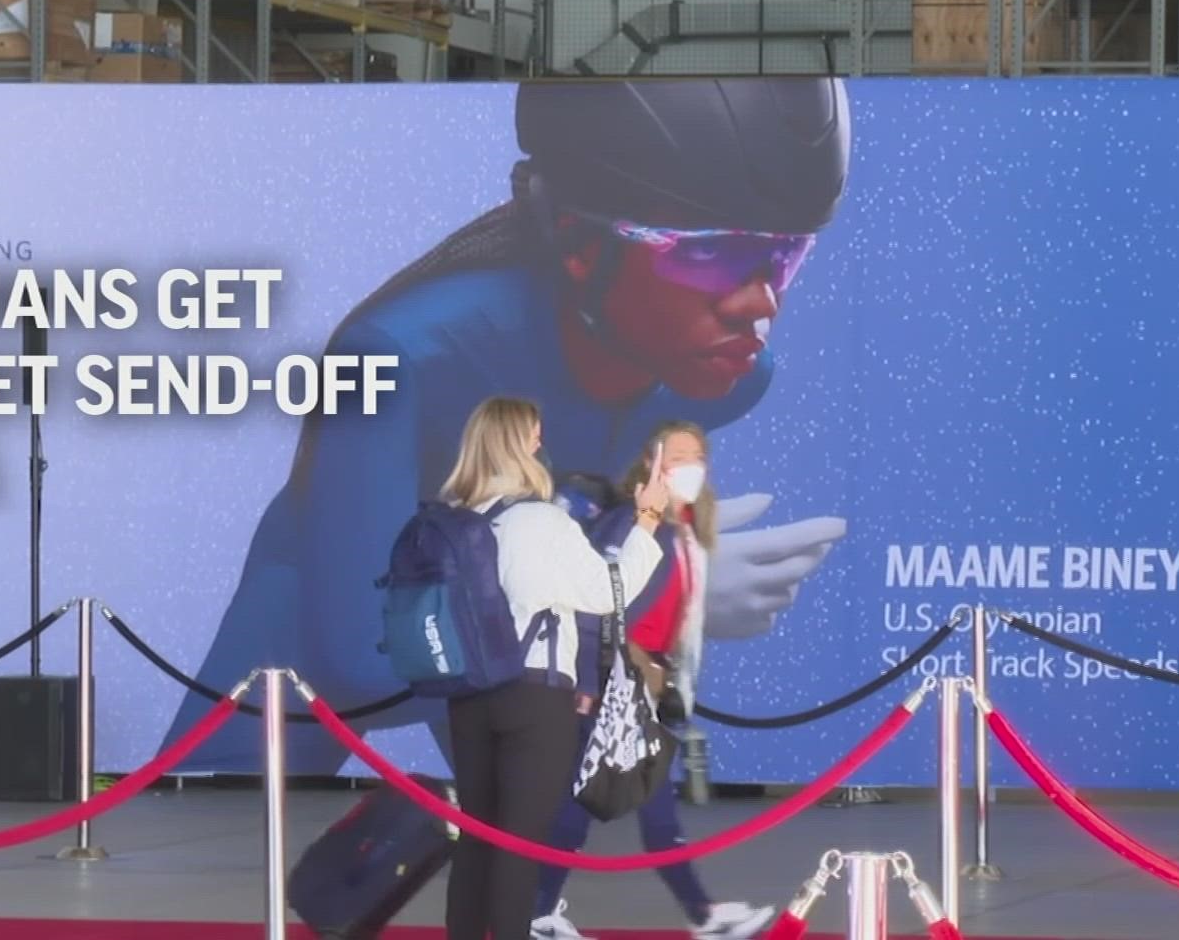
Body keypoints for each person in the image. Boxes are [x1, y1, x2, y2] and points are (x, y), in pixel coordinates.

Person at [165, 78, 853, 772]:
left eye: (786, 256)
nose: (761, 303)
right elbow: (363, 659)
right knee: (212, 838)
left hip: (490, 650)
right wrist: (657, 592)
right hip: (314, 645)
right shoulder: (399, 358)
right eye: (710, 255)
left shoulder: (720, 380)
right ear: (577, 241)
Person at [436, 397, 668, 940]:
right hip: (533, 697)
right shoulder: (541, 521)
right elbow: (608, 591)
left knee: (476, 839)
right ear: (524, 443)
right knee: (519, 844)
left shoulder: (452, 519)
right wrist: (648, 517)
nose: (542, 443)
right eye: (536, 434)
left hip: (467, 695)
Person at [531, 424, 774, 940]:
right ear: (651, 463)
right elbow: (595, 602)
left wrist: (664, 678)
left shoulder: (685, 530)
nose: (691, 466)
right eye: (678, 456)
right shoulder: (632, 524)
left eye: (698, 456)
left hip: (643, 686)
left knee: (623, 804)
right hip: (613, 680)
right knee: (596, 802)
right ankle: (699, 915)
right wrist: (607, 677)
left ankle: (697, 914)